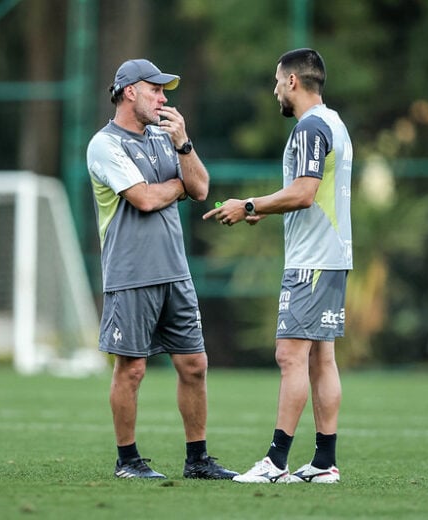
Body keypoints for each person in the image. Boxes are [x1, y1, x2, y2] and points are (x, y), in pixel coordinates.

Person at [202, 48, 353, 484]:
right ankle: (324, 463)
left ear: (292, 82)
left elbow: (305, 192)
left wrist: (248, 202)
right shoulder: (336, 124)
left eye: (276, 81)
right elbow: (310, 194)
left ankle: (275, 463)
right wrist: (264, 211)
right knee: (321, 358)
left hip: (312, 262)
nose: (274, 90)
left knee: (289, 356)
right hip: (334, 256)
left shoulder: (309, 128)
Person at [86, 59, 237, 480]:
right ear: (129, 91)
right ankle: (128, 461)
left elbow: (202, 188)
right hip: (130, 274)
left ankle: (198, 460)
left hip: (176, 272)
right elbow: (145, 199)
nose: (164, 98)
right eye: (156, 89)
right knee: (131, 369)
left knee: (194, 365)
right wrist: (179, 187)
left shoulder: (166, 137)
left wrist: (184, 145)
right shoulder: (104, 144)